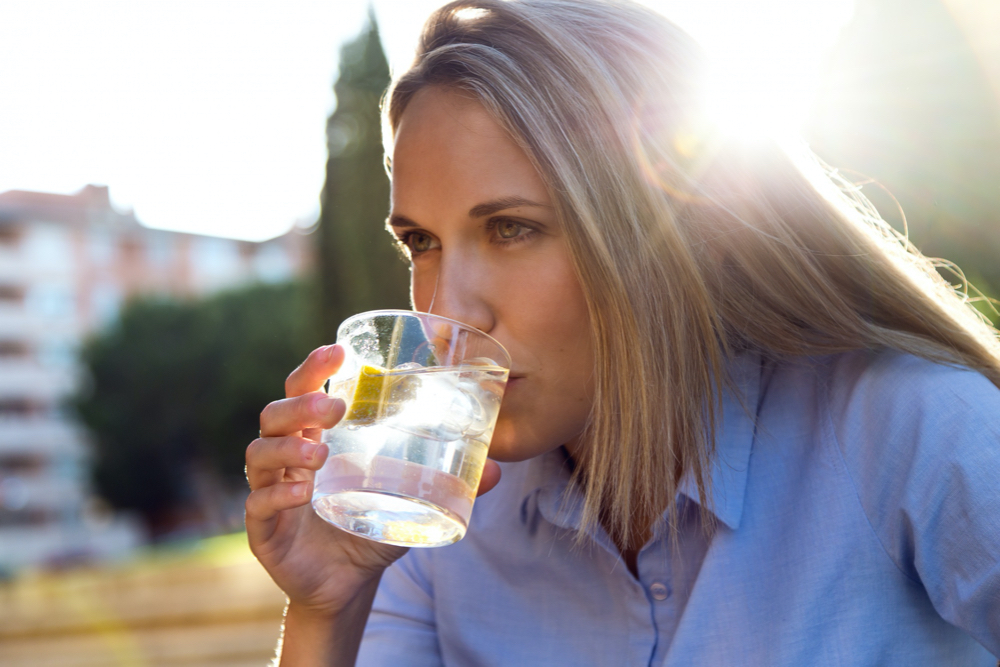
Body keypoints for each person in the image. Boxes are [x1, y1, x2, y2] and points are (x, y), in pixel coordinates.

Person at [244, 0, 1000, 664]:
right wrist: (328, 607)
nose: (449, 312)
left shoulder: (911, 428)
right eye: (421, 242)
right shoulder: (428, 519)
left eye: (511, 228)